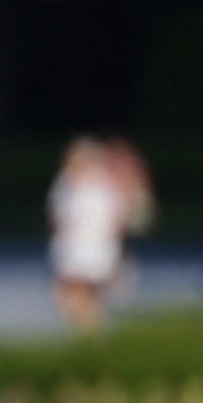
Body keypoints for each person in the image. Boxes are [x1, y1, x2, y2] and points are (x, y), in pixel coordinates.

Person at [50, 135, 142, 331]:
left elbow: (114, 220)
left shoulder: (98, 186)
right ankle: (91, 333)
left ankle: (91, 334)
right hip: (75, 249)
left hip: (91, 249)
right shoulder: (66, 184)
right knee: (76, 297)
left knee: (78, 294)